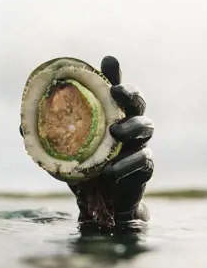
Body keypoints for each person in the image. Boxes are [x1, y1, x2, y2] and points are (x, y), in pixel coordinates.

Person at [19, 56, 154, 232]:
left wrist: (125, 216)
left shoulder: (47, 220)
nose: (64, 118)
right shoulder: (42, 217)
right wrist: (90, 207)